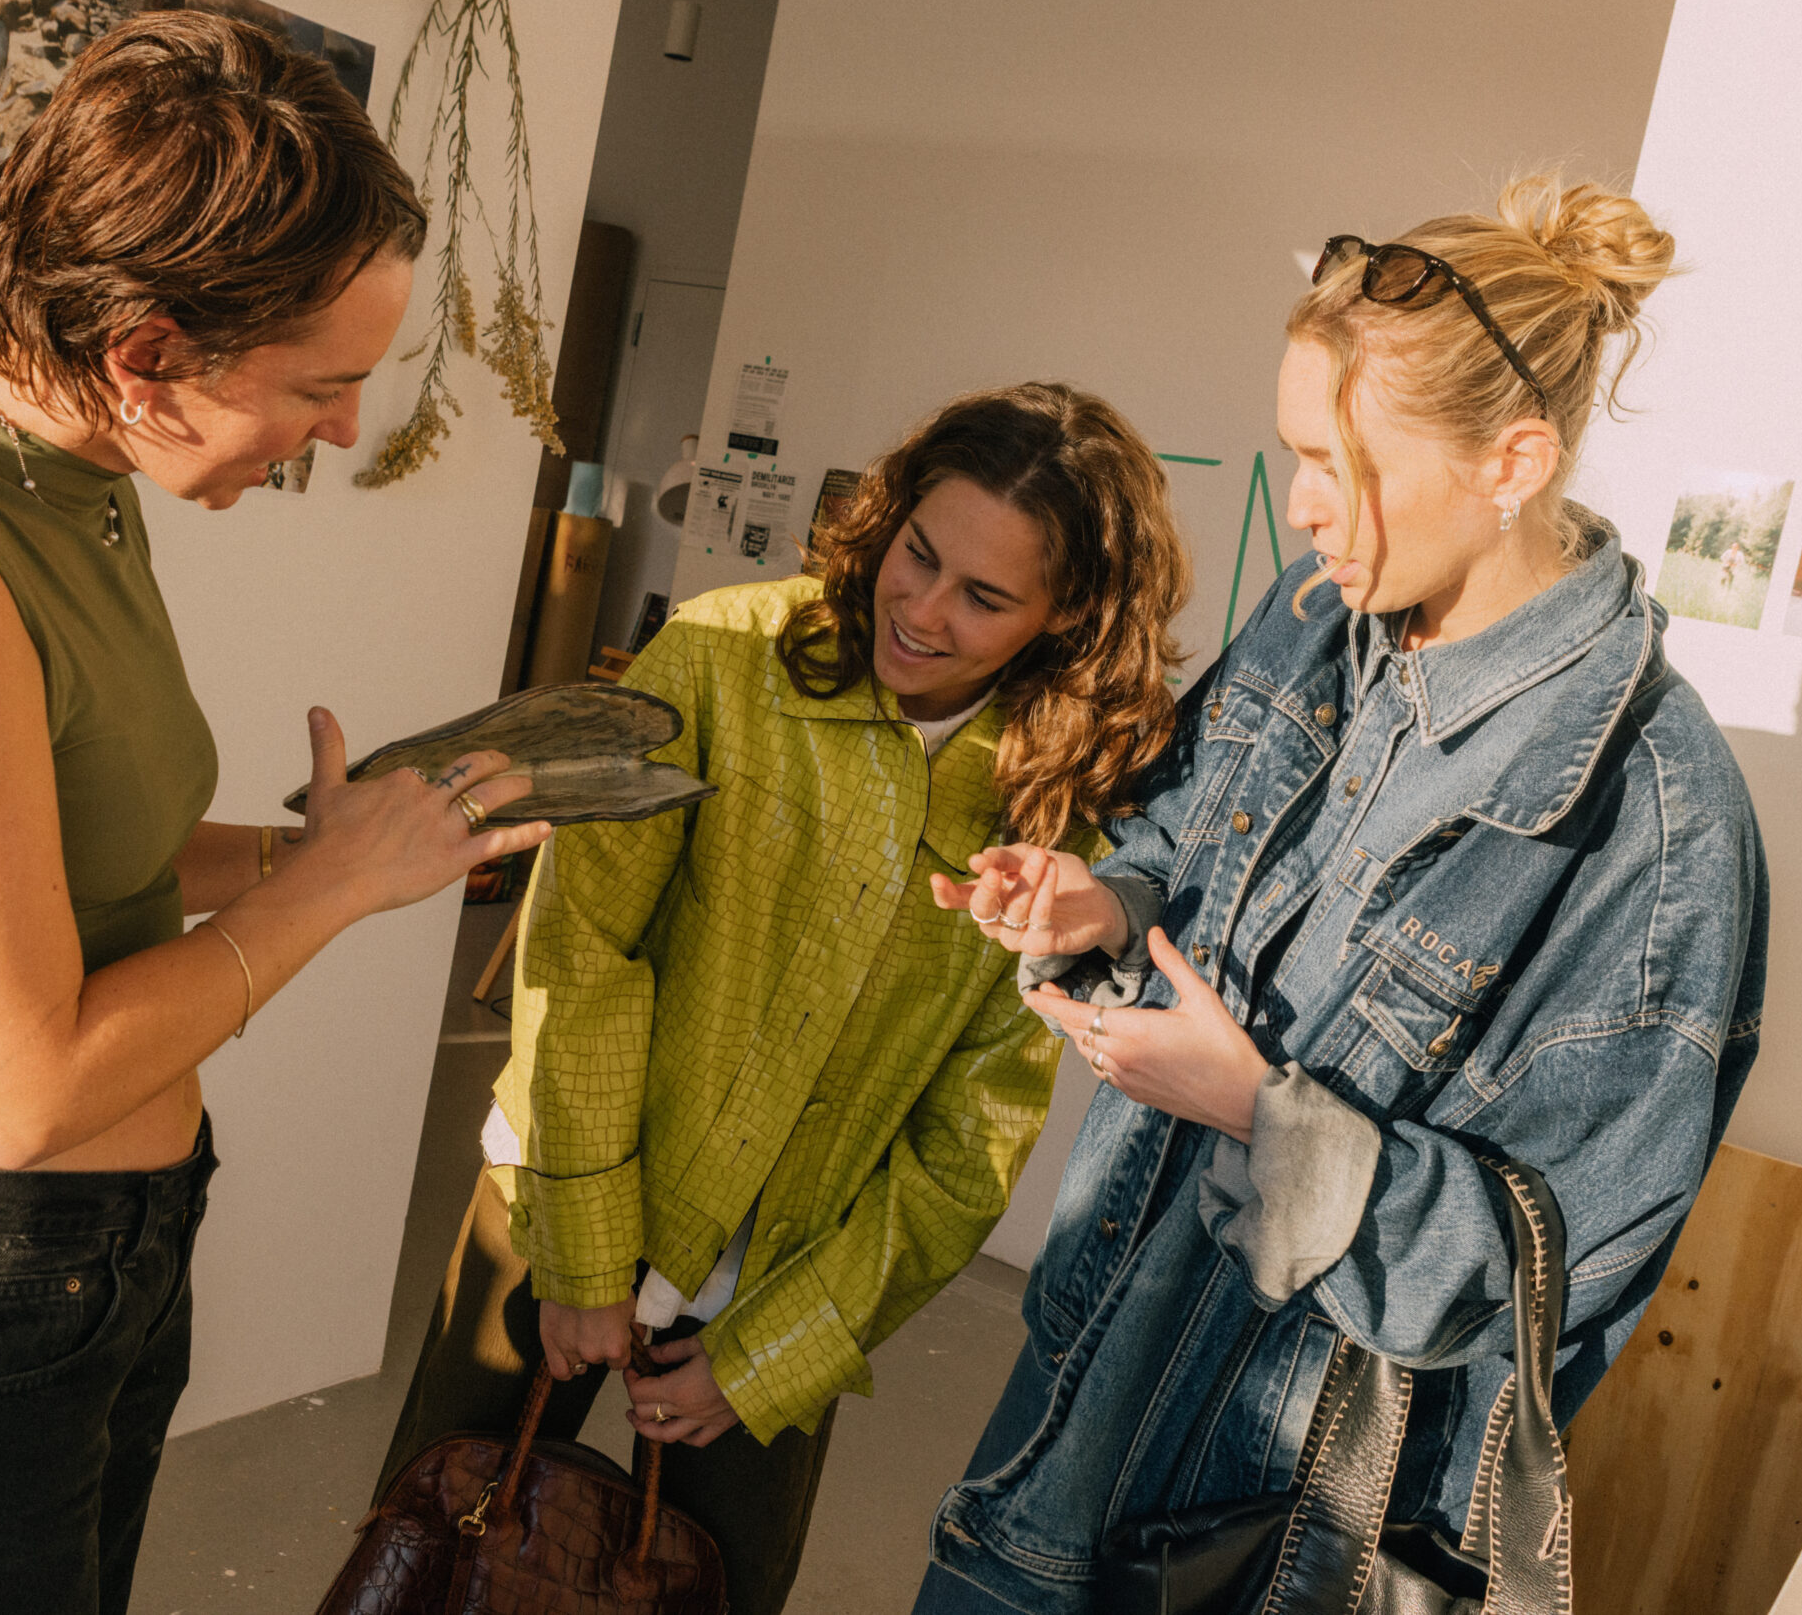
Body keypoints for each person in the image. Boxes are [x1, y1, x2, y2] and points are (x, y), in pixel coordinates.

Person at [0, 14, 551, 1615]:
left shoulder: (66, 481)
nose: (345, 432)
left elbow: (74, 847)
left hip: (85, 1264)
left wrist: (333, 848)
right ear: (147, 353)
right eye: (324, 385)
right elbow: (25, 1089)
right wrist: (325, 892)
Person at [915, 177, 1769, 1614]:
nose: (1302, 506)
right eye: (1294, 454)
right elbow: (1181, 829)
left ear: (1512, 462)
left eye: (1336, 462)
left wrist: (1260, 1113)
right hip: (1073, 1386)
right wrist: (1108, 901)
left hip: (1262, 1524)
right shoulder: (1318, 618)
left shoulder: (1656, 828)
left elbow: (1536, 1288)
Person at [373, 384, 1192, 1615]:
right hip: (553, 1209)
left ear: (1067, 612)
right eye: (919, 554)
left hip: (786, 1285)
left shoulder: (1056, 801)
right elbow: (583, 948)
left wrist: (768, 1360)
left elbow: (970, 1138)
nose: (922, 611)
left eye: (984, 597)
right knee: (430, 1560)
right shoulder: (723, 654)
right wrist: (585, 1256)